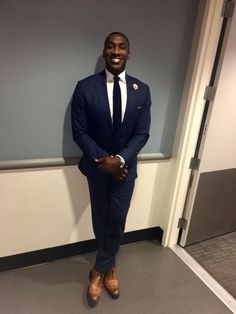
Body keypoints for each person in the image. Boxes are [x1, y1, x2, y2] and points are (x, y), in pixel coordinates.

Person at [71, 32, 151, 306]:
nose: (116, 51)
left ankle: (100, 269)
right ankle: (109, 264)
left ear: (128, 53)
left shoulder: (142, 89)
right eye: (111, 46)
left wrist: (120, 160)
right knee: (100, 218)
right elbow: (80, 133)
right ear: (104, 51)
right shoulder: (84, 87)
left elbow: (142, 134)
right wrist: (107, 162)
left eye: (122, 47)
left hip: (125, 171)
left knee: (117, 220)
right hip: (96, 168)